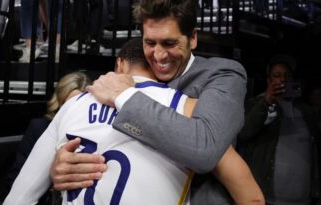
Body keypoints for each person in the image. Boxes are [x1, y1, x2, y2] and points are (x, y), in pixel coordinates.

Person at [4, 39, 263, 205]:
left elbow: (20, 197)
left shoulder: (73, 104)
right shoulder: (187, 107)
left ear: (119, 63)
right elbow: (251, 197)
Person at [51, 0, 248, 204]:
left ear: (193, 38)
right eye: (150, 43)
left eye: (170, 43)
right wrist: (65, 164)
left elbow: (204, 149)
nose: (159, 55)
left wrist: (125, 97)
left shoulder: (222, 74)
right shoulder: (125, 79)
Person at [236, 54, 321, 205]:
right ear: (269, 81)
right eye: (277, 75)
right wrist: (267, 100)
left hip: (304, 200)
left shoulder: (306, 112)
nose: (283, 79)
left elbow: (320, 153)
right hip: (266, 199)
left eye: (287, 75)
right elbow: (244, 132)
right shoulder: (256, 104)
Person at [6, 71, 91, 204]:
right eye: (68, 104)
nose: (72, 110)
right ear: (59, 102)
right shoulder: (40, 127)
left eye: (78, 106)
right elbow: (16, 176)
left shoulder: (93, 132)